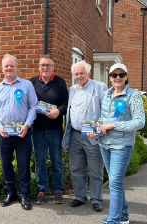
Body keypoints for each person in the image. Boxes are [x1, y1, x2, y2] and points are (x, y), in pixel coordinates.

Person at [89, 63, 145, 224]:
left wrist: (113, 125)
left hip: (122, 145)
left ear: (126, 76)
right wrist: (96, 128)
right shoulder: (107, 95)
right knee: (115, 181)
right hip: (104, 144)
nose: (118, 78)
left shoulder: (133, 96)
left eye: (121, 75)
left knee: (114, 182)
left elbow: (139, 122)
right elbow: (104, 120)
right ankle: (123, 216)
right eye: (114, 75)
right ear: (110, 77)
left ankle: (114, 220)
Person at [0, 54, 37, 210]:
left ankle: (23, 195)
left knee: (23, 164)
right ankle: (9, 193)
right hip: (4, 133)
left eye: (12, 65)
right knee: (5, 164)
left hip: (22, 132)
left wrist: (27, 125)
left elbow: (33, 106)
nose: (9, 68)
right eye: (6, 66)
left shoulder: (27, 85)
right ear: (2, 68)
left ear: (17, 67)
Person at [62, 60, 107, 212]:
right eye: (76, 74)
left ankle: (96, 199)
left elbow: (106, 111)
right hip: (74, 134)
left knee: (95, 169)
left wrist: (98, 127)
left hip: (92, 134)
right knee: (76, 168)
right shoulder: (72, 90)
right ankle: (80, 196)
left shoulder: (100, 87)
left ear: (89, 73)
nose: (79, 76)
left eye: (82, 73)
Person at [29, 54, 68, 205]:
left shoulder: (60, 82)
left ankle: (58, 189)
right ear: (39, 67)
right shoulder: (31, 82)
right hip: (37, 130)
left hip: (55, 130)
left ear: (53, 67)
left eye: (48, 65)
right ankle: (42, 189)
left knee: (57, 161)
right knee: (40, 162)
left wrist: (58, 111)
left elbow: (65, 103)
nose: (45, 67)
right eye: (42, 65)